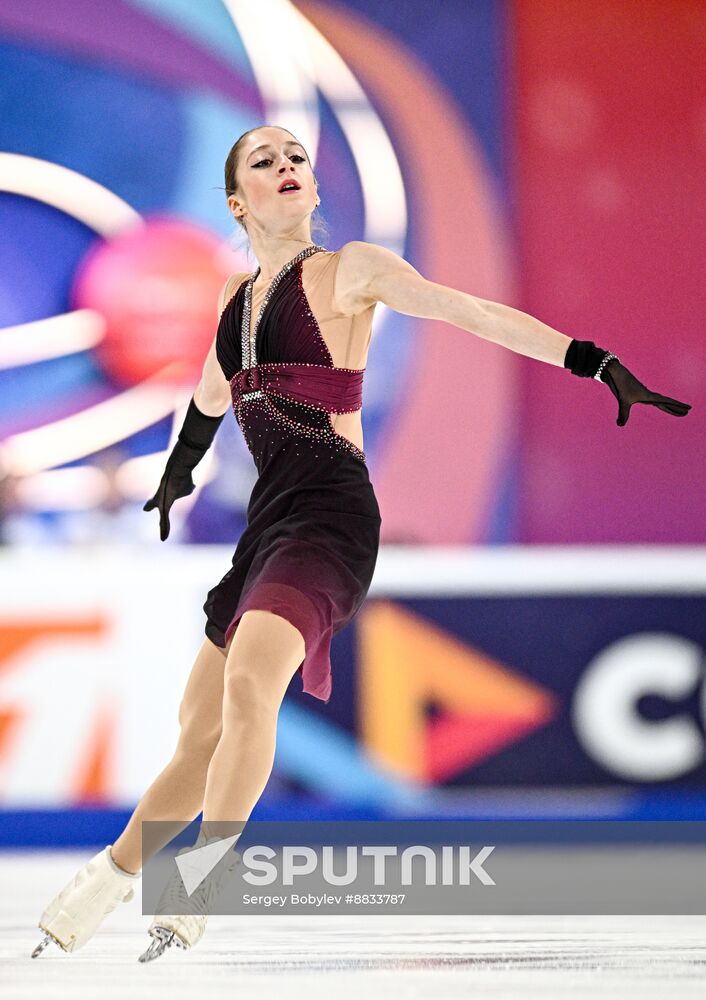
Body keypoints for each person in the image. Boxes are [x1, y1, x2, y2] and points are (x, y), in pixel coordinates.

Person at [31, 124, 692, 963]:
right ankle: (106, 881)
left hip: (331, 518)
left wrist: (589, 360)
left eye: (296, 157)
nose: (288, 166)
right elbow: (206, 395)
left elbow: (471, 311)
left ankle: (201, 878)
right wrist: (177, 472)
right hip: (264, 525)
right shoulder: (235, 300)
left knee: (248, 695)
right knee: (197, 734)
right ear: (238, 201)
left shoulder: (353, 272)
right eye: (265, 161)